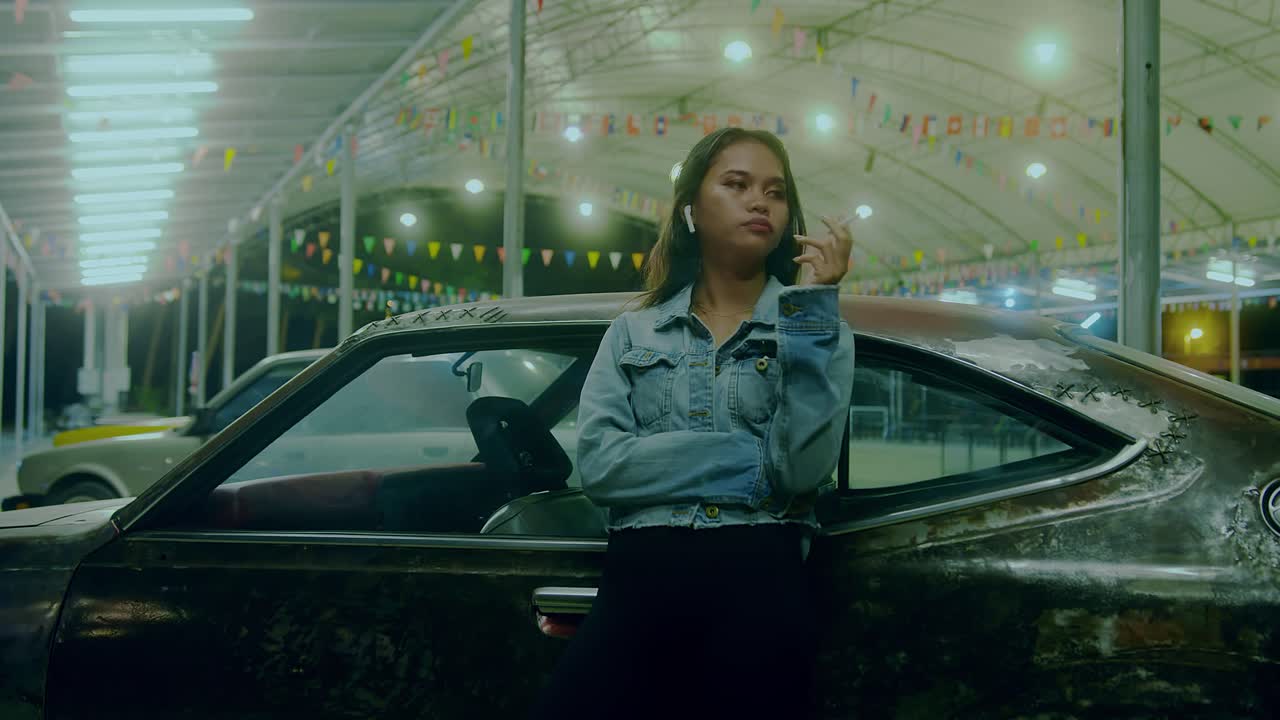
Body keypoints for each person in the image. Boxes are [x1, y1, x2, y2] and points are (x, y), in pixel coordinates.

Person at [530, 127, 855, 720]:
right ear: (690, 210)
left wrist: (809, 311)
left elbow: (801, 471)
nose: (760, 202)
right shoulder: (633, 331)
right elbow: (601, 468)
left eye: (776, 192)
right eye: (737, 184)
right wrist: (751, 463)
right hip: (641, 583)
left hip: (760, 588)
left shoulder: (817, 330)